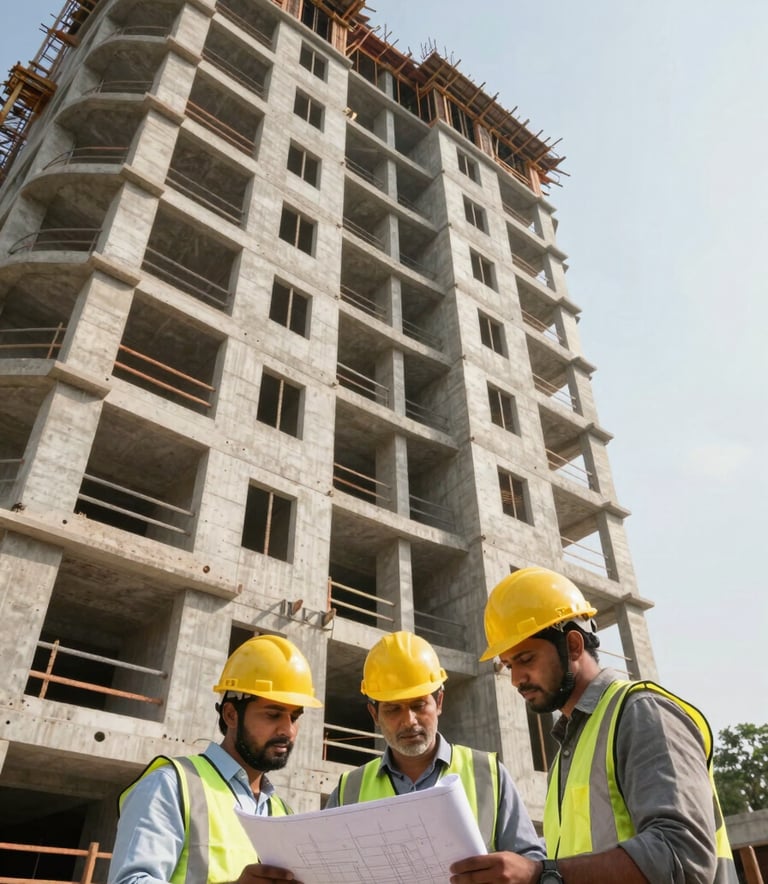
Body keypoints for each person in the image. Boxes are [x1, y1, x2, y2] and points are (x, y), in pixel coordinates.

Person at [450, 567, 738, 884]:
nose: (517, 679)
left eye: (526, 659)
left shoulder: (641, 714)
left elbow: (682, 855)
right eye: (508, 666)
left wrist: (540, 874)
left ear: (573, 645)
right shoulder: (568, 753)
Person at [108, 634, 322, 884]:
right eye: (273, 715)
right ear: (231, 715)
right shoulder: (172, 785)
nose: (288, 730)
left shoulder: (282, 811)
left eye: (294, 717)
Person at [325, 630, 545, 861]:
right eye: (392, 709)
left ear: (439, 701)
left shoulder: (488, 775)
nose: (409, 721)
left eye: (419, 705)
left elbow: (531, 862)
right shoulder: (348, 790)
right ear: (374, 715)